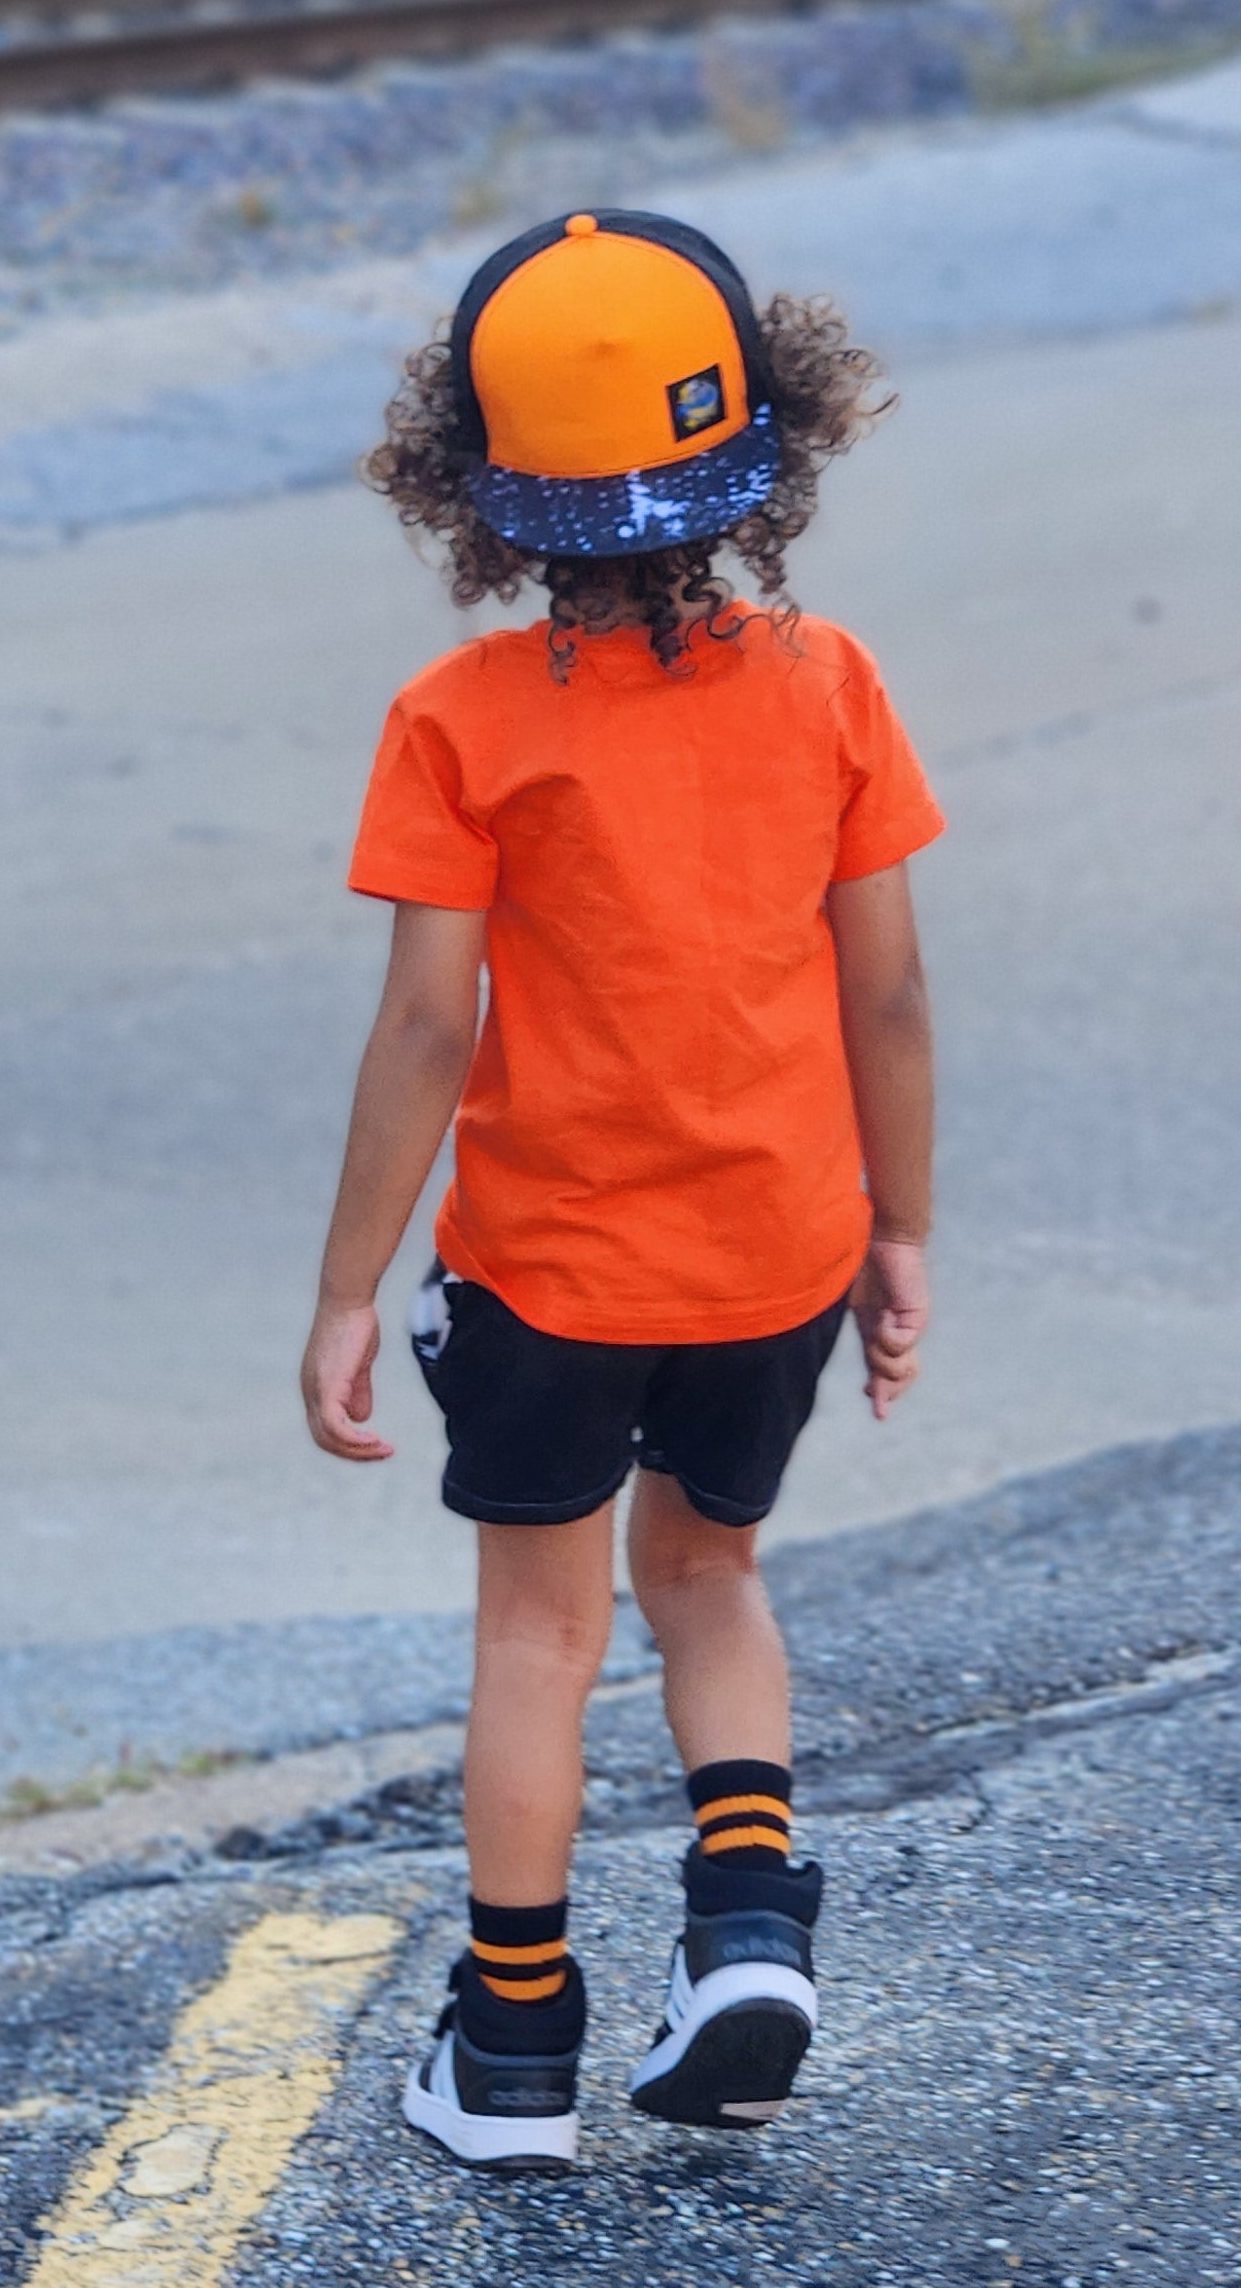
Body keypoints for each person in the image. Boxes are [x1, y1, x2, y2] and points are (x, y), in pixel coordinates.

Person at [300, 206, 942, 2173]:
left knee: (537, 1639)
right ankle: (747, 1931)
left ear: (470, 483)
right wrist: (899, 1228)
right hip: (773, 1249)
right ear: (772, 433)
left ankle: (509, 2049)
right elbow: (890, 986)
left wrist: (346, 1287)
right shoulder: (828, 683)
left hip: (552, 1273)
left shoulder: (464, 720)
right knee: (714, 1578)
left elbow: (425, 1030)